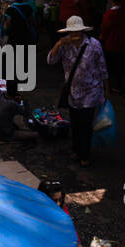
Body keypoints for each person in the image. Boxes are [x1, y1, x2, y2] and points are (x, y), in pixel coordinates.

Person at [48, 15, 109, 168]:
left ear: (82, 31)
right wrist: (59, 43)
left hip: (91, 91)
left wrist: (106, 90)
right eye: (72, 32)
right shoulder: (64, 45)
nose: (75, 35)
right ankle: (76, 150)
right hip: (73, 93)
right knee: (75, 123)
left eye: (77, 32)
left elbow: (103, 69)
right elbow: (50, 60)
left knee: (86, 124)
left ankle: (85, 155)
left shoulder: (94, 45)